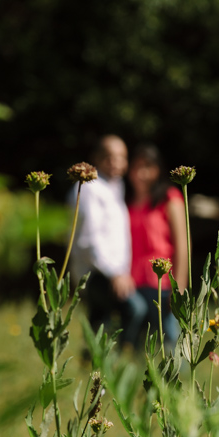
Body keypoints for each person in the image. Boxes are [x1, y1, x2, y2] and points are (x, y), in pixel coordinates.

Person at [68, 135, 147, 348]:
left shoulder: (116, 188)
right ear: (96, 158)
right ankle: (120, 358)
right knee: (134, 308)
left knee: (99, 323)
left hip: (113, 272)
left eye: (121, 157)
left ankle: (94, 367)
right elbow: (88, 239)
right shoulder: (88, 189)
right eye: (109, 157)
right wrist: (115, 273)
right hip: (96, 272)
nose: (115, 162)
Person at [126, 143, 188, 349]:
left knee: (170, 343)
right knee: (139, 348)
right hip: (134, 286)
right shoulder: (127, 202)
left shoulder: (170, 197)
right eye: (137, 166)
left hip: (163, 284)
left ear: (157, 170)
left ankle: (179, 382)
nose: (142, 173)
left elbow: (182, 245)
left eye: (148, 167)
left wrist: (179, 287)